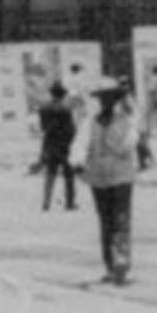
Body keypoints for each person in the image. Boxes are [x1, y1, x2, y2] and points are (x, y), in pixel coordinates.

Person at [81, 77, 139, 285]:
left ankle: (121, 266)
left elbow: (127, 146)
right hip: (98, 177)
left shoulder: (126, 120)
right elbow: (82, 145)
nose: (105, 102)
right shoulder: (91, 121)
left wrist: (107, 142)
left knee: (121, 220)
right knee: (105, 221)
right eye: (102, 99)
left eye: (109, 99)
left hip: (121, 176)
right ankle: (109, 265)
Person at [37, 81, 78, 211]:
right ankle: (69, 202)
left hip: (50, 143)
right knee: (69, 175)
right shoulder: (65, 109)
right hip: (65, 145)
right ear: (63, 94)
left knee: (50, 173)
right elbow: (71, 129)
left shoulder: (43, 108)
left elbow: (43, 127)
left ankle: (46, 202)